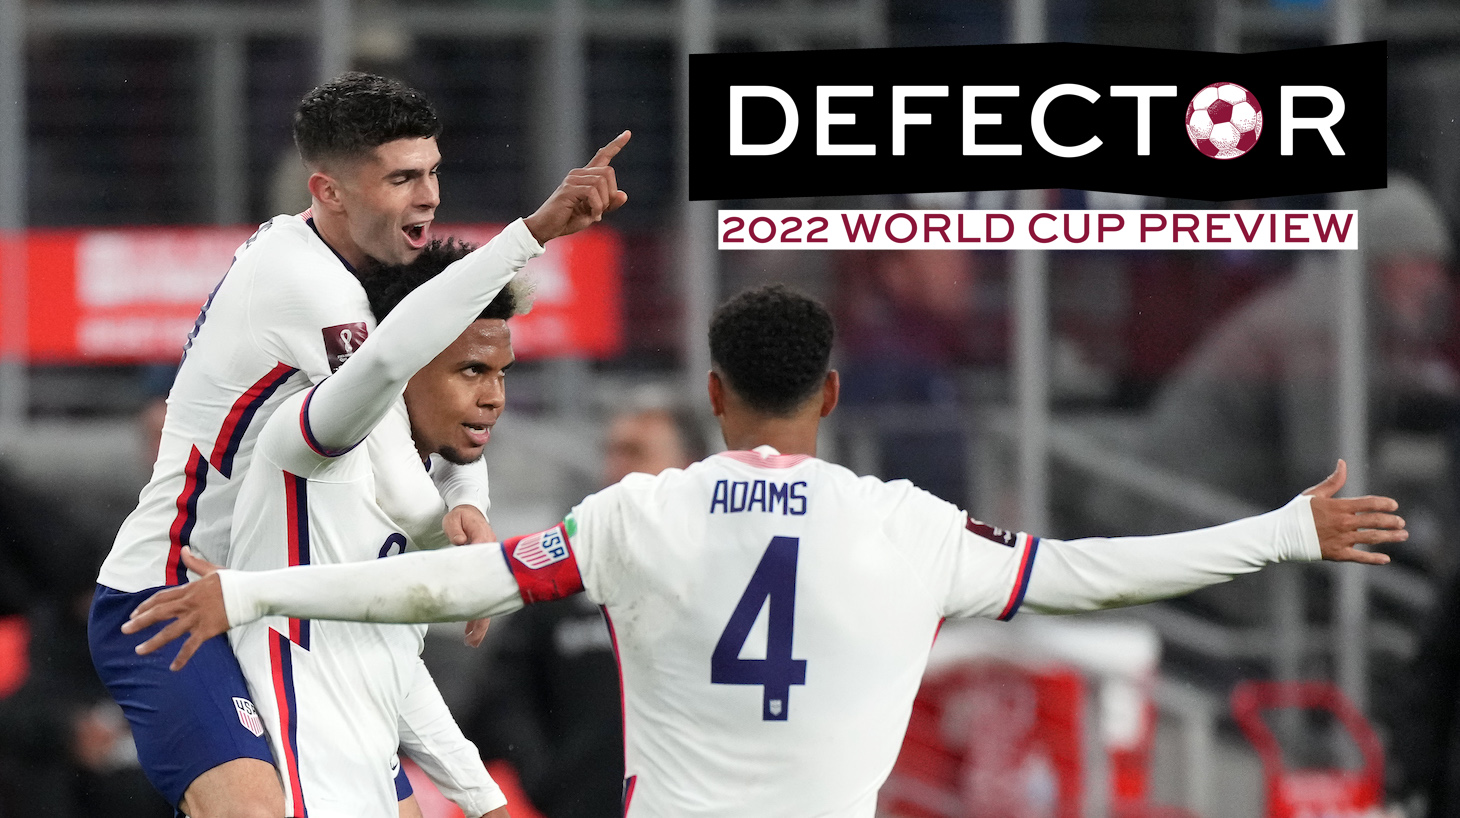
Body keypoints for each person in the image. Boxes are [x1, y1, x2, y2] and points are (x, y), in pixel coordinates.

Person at [125, 285, 1405, 818]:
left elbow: (452, 577)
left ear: (714, 390)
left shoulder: (636, 514)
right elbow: (1094, 568)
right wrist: (1283, 531)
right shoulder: (911, 527)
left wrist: (249, 584)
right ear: (832, 393)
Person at [88, 71, 601, 818]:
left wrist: (468, 498)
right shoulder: (307, 283)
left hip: (274, 602)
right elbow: (391, 404)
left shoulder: (376, 283)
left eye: (431, 172)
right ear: (329, 191)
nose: (427, 196)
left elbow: (440, 396)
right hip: (170, 593)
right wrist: (452, 545)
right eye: (400, 178)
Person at [474, 402, 705, 818]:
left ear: (689, 467)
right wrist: (547, 776)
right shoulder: (568, 570)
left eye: (634, 452)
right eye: (610, 451)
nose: (615, 467)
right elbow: (505, 692)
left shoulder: (722, 574)